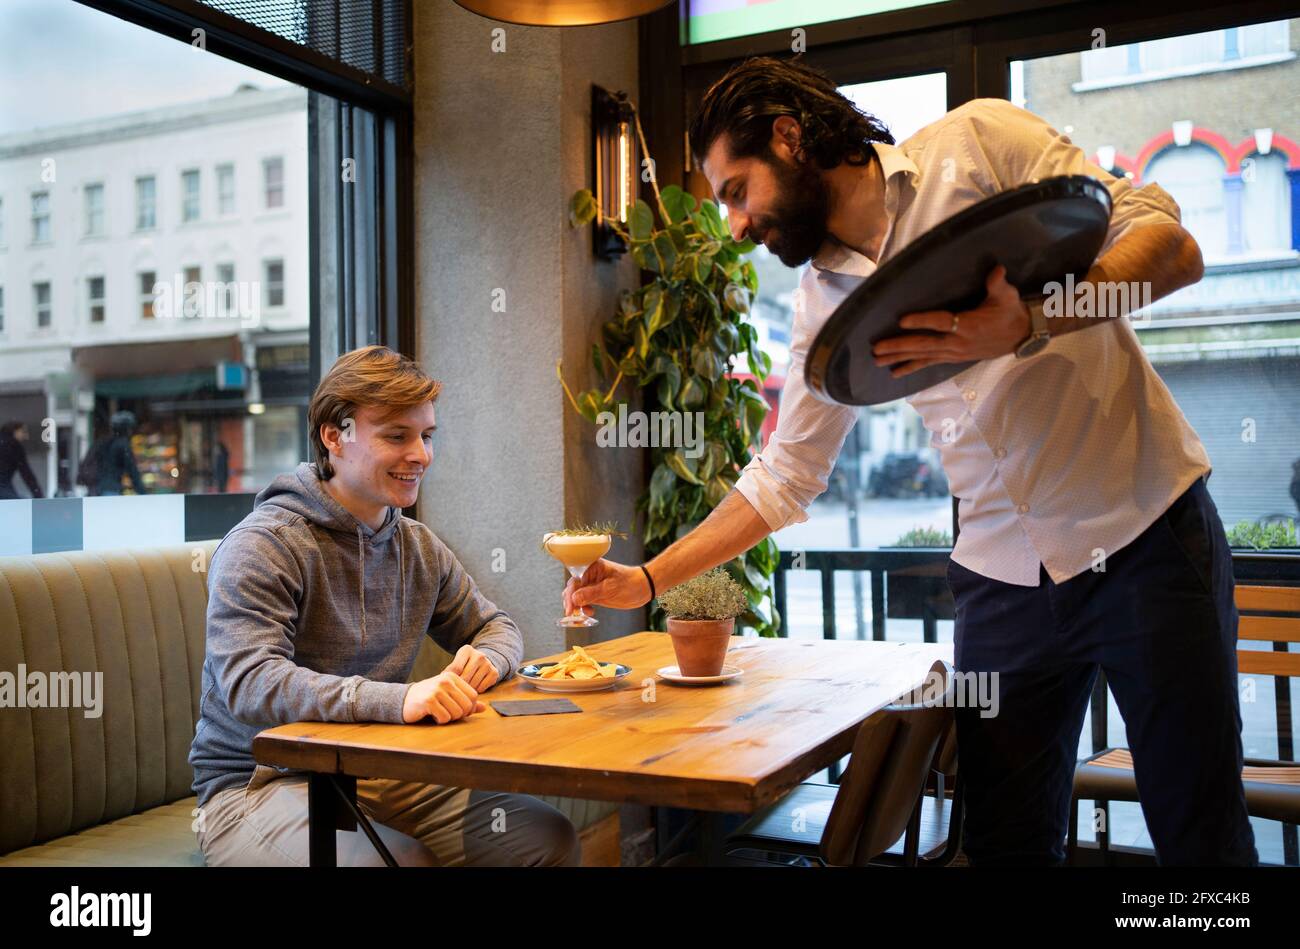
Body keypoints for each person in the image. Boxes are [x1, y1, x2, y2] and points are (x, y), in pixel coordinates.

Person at [567, 57, 1256, 866]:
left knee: (1200, 837)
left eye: (736, 191)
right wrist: (647, 580)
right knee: (1003, 847)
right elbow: (785, 478)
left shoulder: (979, 143)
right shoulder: (822, 304)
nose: (736, 226)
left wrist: (1031, 320)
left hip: (1146, 537)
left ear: (789, 138)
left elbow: (1173, 247)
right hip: (1003, 586)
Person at [189, 346, 580, 866]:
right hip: (257, 785)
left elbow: (496, 626)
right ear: (335, 436)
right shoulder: (265, 544)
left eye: (426, 436)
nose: (420, 454)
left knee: (545, 839)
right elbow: (250, 681)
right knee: (395, 863)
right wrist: (398, 701)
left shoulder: (415, 546)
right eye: (397, 436)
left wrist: (489, 658)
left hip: (377, 770)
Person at [95, 410, 146, 495]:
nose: (131, 431)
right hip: (111, 490)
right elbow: (133, 471)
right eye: (130, 428)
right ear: (126, 428)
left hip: (100, 488)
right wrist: (143, 493)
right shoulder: (122, 445)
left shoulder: (107, 443)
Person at [0, 421, 44, 499]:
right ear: (15, 431)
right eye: (23, 432)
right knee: (18, 506)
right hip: (3, 488)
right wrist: (39, 496)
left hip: (4, 487)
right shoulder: (14, 445)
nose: (26, 436)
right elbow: (26, 473)